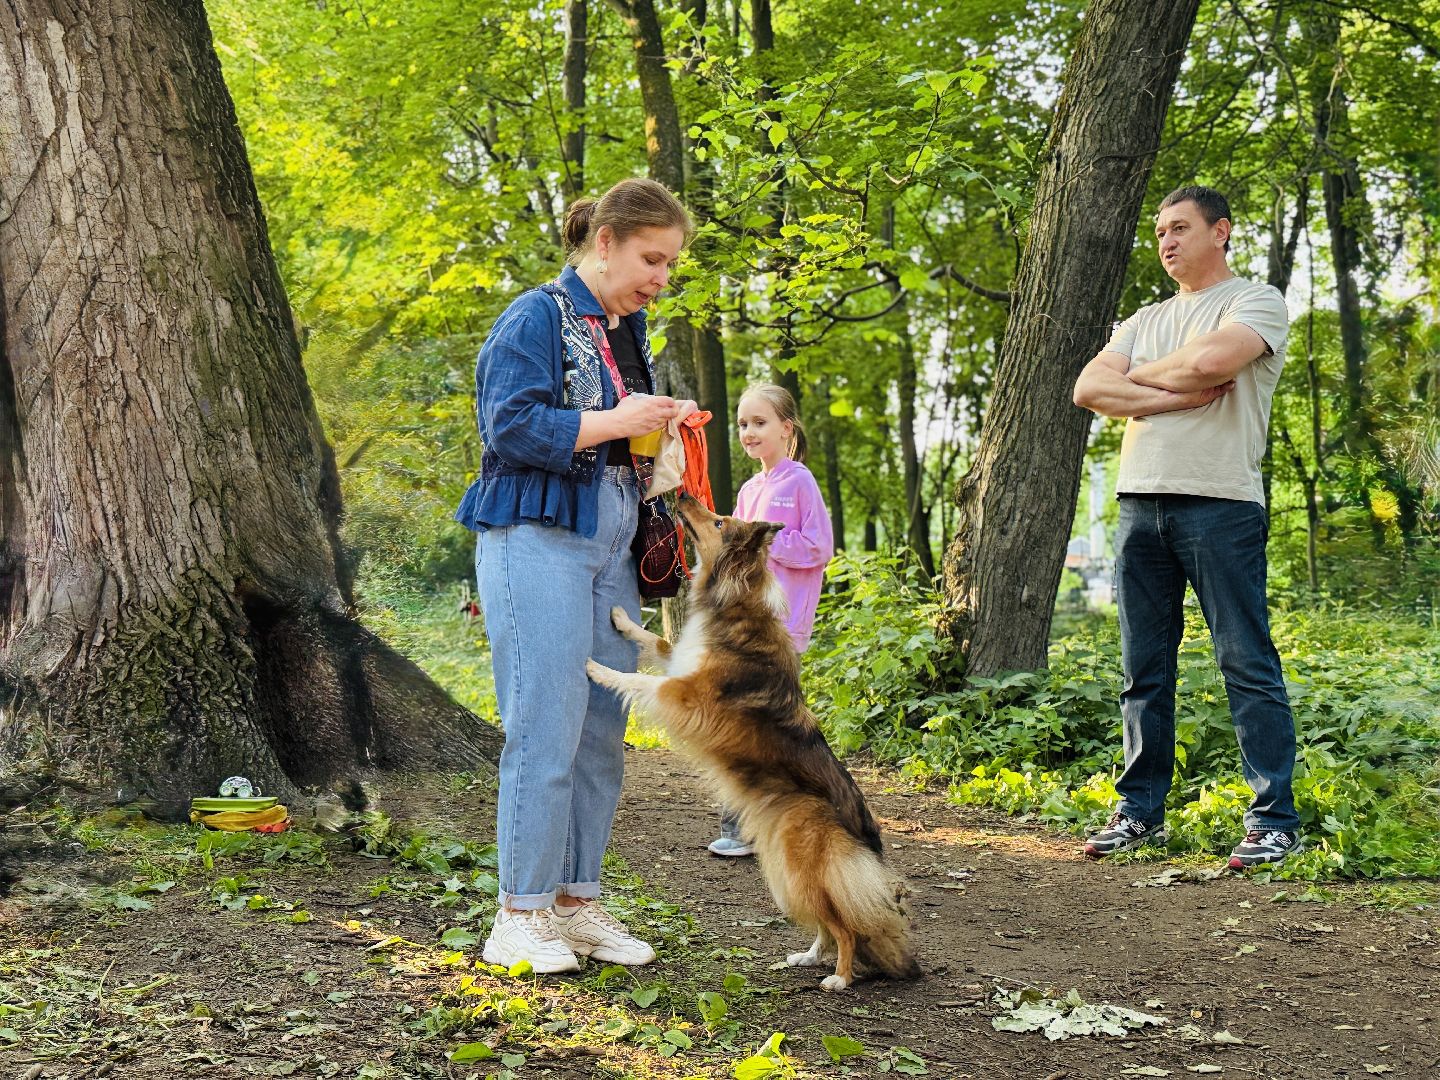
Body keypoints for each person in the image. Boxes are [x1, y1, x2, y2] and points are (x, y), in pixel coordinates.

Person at [454, 178, 697, 971]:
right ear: (605, 242)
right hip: (538, 538)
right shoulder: (535, 316)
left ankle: (576, 902)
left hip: (612, 546)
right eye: (650, 258)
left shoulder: (630, 332)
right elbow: (510, 425)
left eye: (669, 265)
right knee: (545, 726)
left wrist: (664, 431)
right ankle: (518, 914)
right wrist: (617, 421)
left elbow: (621, 433)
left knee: (602, 733)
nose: (660, 276)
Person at [1072, 185, 1304, 870]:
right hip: (1140, 506)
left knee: (1246, 662)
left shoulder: (1254, 301)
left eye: (1180, 228)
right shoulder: (1144, 318)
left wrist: (1139, 387)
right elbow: (1088, 390)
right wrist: (1177, 395)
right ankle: (1140, 813)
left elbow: (1210, 362)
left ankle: (1273, 820)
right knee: (1143, 670)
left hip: (1221, 505)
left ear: (1220, 231)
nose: (1167, 241)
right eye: (1160, 232)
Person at [706, 383, 835, 857]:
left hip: (782, 626)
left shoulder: (799, 482)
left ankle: (765, 824)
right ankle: (751, 824)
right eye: (742, 424)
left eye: (759, 422)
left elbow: (820, 547)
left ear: (786, 428)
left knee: (763, 718)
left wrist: (766, 542)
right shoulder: (748, 489)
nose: (748, 431)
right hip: (745, 621)